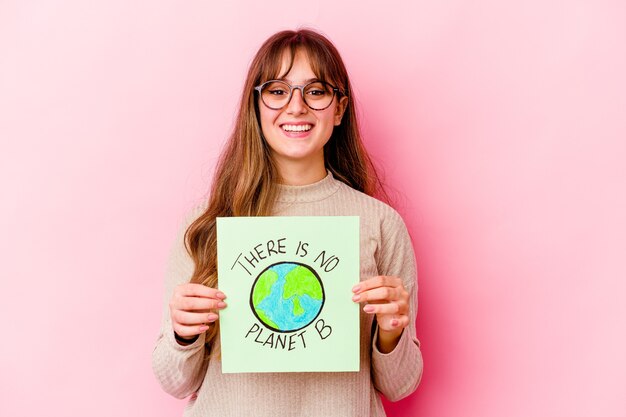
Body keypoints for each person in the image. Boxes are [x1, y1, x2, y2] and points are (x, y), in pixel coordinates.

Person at [152, 28, 423, 417]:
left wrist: (392, 331)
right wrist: (182, 332)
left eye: (316, 91)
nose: (296, 107)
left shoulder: (380, 224)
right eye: (278, 91)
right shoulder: (207, 225)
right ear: (257, 105)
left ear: (339, 108)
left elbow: (400, 386)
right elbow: (173, 381)